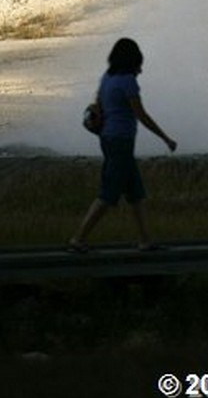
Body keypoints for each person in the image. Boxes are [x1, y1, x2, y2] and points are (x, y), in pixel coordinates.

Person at [68, 37, 177, 252]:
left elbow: (98, 106)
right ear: (131, 62)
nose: (141, 70)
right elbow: (141, 115)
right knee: (108, 194)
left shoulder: (106, 78)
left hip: (108, 139)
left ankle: (145, 240)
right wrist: (165, 138)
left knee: (136, 193)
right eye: (139, 64)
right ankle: (77, 239)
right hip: (121, 142)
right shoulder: (128, 81)